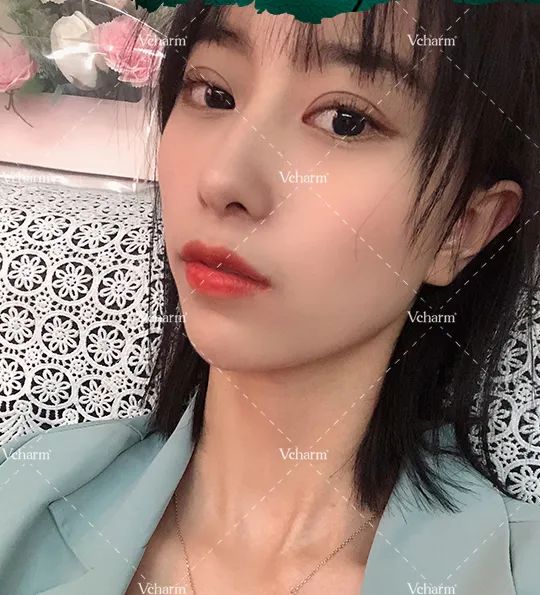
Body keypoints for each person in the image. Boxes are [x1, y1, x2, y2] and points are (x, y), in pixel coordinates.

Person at [1, 1, 540, 594]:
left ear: (464, 226)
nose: (223, 180)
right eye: (213, 94)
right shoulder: (19, 491)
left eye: (345, 121)